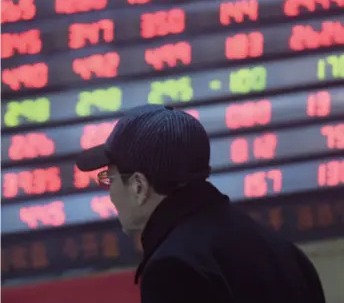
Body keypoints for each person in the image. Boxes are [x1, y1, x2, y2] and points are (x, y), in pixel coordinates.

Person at [76, 104, 326, 303]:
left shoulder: (173, 270)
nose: (110, 194)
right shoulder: (284, 252)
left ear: (139, 187)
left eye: (110, 179)